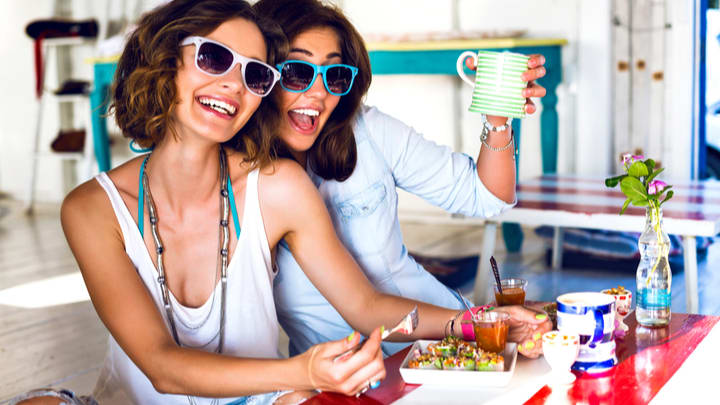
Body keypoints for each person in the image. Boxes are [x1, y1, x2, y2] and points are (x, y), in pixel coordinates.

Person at [15, 1, 548, 404]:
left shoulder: (283, 184)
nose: (233, 84)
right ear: (164, 62)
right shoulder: (92, 208)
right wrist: (304, 373)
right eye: (214, 58)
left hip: (294, 387)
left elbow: (365, 307)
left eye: (254, 73)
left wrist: (476, 323)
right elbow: (160, 365)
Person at [253, 0, 549, 356]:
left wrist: (498, 119)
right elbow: (365, 308)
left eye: (334, 75)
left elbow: (487, 197)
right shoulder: (246, 183)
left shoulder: (366, 130)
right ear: (261, 75)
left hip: (447, 344)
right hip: (352, 376)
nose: (319, 92)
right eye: (297, 72)